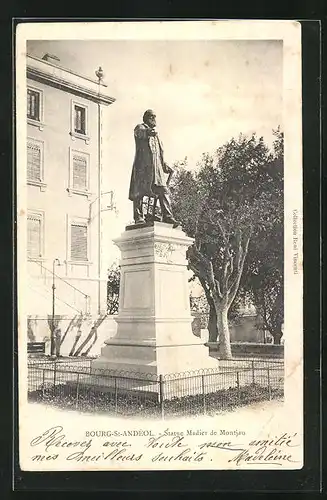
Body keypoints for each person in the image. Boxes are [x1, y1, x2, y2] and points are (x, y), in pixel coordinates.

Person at [128, 109, 179, 226]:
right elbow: (140, 133)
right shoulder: (140, 128)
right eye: (151, 116)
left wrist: (165, 167)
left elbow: (158, 156)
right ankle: (138, 217)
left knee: (163, 191)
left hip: (157, 171)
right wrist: (148, 132)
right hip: (143, 168)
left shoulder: (157, 137)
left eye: (155, 117)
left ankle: (168, 216)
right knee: (139, 193)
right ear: (145, 118)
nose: (154, 119)